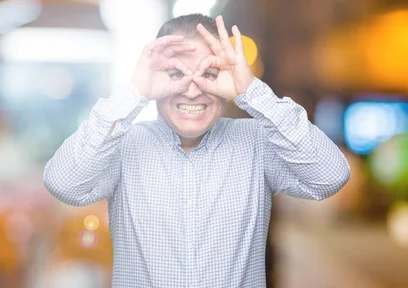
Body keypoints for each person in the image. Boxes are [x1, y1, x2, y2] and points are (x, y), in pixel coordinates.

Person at [43, 13, 350, 287]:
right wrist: (133, 92)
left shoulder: (258, 141)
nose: (192, 90)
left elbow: (331, 176)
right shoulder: (124, 143)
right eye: (176, 74)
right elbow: (63, 183)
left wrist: (252, 91)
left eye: (209, 74)